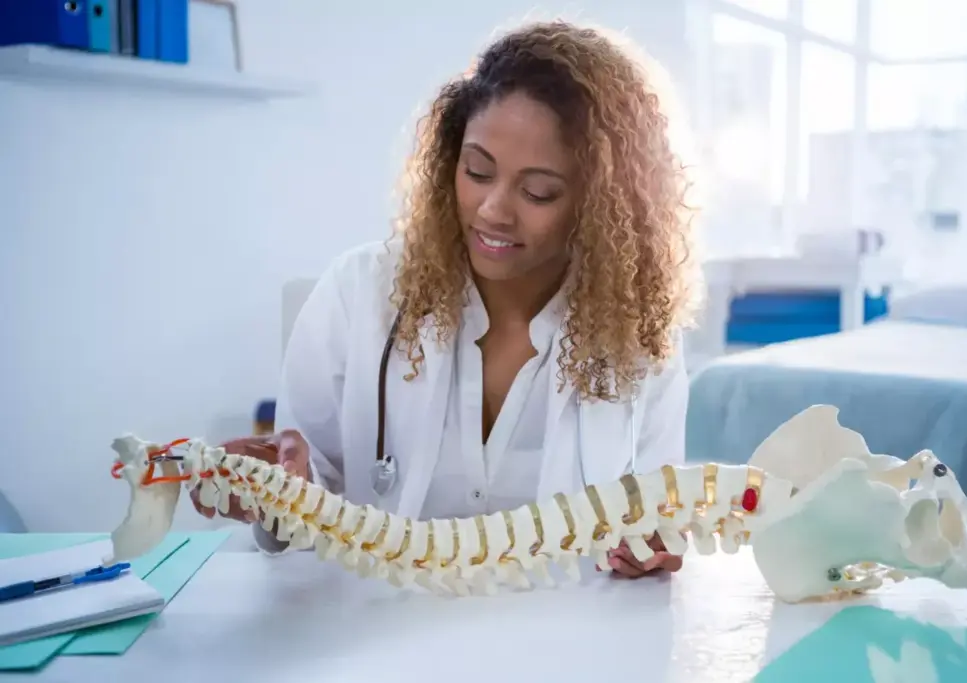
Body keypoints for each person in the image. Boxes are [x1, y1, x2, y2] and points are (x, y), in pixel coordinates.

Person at [193, 19, 704, 579]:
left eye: (538, 192)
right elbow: (301, 507)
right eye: (477, 171)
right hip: (375, 621)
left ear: (601, 202)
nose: (493, 210)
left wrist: (653, 549)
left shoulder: (638, 333)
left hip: (560, 628)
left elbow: (654, 515)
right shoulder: (358, 294)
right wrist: (273, 494)